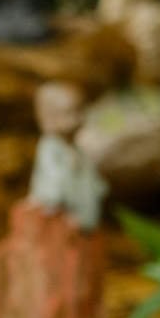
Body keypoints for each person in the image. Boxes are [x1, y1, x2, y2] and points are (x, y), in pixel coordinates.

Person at [28, 82, 106, 230]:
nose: (79, 118)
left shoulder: (77, 148)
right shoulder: (50, 147)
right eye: (70, 112)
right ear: (49, 117)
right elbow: (52, 177)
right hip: (60, 209)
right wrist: (55, 200)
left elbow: (90, 176)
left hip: (82, 206)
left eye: (81, 110)